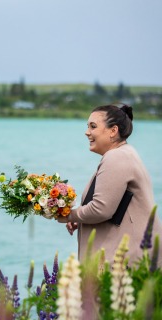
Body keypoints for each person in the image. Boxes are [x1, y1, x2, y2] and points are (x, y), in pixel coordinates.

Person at [59, 103, 162, 266]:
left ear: (113, 131)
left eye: (93, 126)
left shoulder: (116, 157)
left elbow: (101, 209)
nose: (87, 132)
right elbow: (115, 205)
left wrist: (67, 215)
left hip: (125, 263)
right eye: (88, 127)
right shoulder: (125, 154)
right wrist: (81, 219)